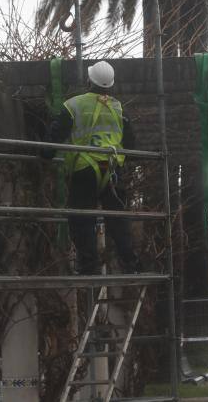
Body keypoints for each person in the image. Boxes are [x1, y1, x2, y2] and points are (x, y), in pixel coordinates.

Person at [43, 60, 139, 275]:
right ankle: (130, 264)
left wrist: (45, 154)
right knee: (117, 218)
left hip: (85, 169)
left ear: (89, 80)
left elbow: (55, 136)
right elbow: (131, 144)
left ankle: (88, 265)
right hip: (112, 168)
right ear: (111, 84)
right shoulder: (118, 108)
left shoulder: (73, 105)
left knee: (81, 217)